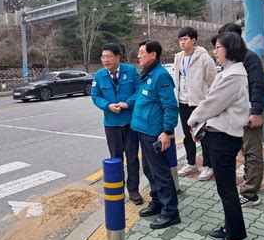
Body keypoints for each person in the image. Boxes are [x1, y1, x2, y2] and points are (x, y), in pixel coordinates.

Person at [188, 32, 249, 240]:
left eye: (218, 47)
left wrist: (192, 119)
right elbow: (213, 103)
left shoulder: (234, 75)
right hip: (219, 135)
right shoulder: (230, 72)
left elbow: (212, 103)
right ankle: (229, 228)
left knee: (227, 189)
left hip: (225, 138)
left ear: (230, 49)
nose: (215, 51)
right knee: (225, 188)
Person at [131, 40, 181, 229]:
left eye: (142, 52)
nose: (138, 55)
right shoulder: (147, 75)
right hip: (143, 130)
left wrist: (166, 131)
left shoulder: (160, 76)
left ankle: (170, 212)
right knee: (149, 170)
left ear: (153, 55)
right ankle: (157, 201)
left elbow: (170, 106)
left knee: (160, 172)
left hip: (155, 133)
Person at [218, 23, 264, 207]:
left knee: (252, 151)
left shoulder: (249, 58)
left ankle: (250, 193)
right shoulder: (235, 59)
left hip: (250, 111)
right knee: (245, 150)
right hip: (239, 112)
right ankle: (250, 182)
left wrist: (256, 112)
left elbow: (257, 86)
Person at [91, 43, 143, 205]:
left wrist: (127, 104)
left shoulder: (131, 71)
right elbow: (95, 95)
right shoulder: (99, 76)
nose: (105, 60)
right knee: (116, 158)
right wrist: (107, 106)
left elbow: (139, 91)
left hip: (129, 123)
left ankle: (133, 190)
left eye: (108, 56)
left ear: (117, 57)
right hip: (111, 124)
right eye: (103, 57)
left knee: (132, 157)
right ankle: (117, 189)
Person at [173, 27, 217, 180]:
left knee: (203, 134)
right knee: (187, 134)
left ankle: (208, 166)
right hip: (183, 101)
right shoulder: (178, 57)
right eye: (180, 39)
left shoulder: (204, 58)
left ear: (193, 40)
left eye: (185, 39)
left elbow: (212, 82)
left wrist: (208, 101)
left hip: (199, 103)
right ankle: (191, 163)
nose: (182, 42)